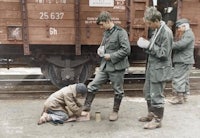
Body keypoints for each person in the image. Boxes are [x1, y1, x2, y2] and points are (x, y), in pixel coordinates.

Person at [82, 11, 131, 121]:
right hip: (105, 66)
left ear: (108, 21)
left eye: (102, 24)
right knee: (92, 85)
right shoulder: (106, 32)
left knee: (118, 90)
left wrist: (112, 56)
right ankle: (86, 108)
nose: (101, 27)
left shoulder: (121, 32)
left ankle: (115, 111)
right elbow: (105, 46)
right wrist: (101, 50)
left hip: (117, 67)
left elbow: (126, 50)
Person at [137, 7, 173, 129]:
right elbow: (152, 47)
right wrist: (145, 44)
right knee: (147, 92)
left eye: (149, 23)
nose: (148, 25)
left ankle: (157, 121)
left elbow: (164, 53)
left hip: (160, 69)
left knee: (156, 95)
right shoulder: (157, 30)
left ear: (157, 20)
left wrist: (149, 46)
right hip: (152, 68)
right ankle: (152, 114)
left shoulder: (166, 32)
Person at [169, 18, 195, 104]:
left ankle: (178, 98)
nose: (178, 30)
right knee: (184, 79)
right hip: (185, 60)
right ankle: (184, 96)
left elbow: (181, 45)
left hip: (183, 60)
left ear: (184, 26)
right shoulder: (187, 34)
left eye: (179, 27)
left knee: (178, 78)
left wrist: (169, 44)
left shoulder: (188, 34)